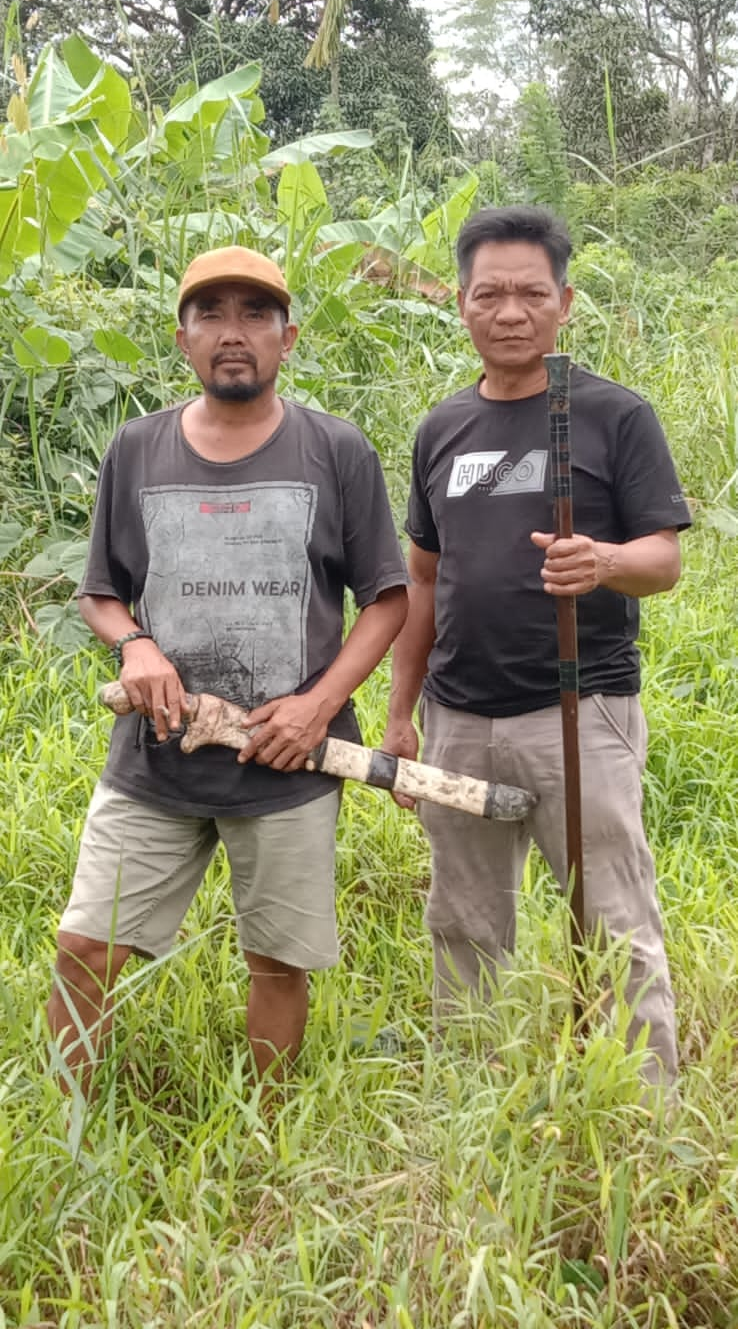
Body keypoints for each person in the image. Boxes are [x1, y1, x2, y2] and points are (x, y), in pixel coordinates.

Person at [49, 245, 408, 1090]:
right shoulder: (136, 449)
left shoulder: (337, 451)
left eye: (255, 314)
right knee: (85, 948)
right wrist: (134, 643)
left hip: (288, 760)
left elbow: (387, 600)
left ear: (289, 338)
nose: (233, 333)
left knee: (276, 962)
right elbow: (100, 593)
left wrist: (318, 706)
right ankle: (68, 1128)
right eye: (211, 314)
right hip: (155, 762)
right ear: (184, 341)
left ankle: (267, 1143)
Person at [383, 204, 691, 1084]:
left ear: (564, 302)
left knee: (614, 918)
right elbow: (426, 581)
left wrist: (603, 562)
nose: (509, 312)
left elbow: (663, 559)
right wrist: (402, 715)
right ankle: (472, 1106)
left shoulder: (612, 417)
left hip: (580, 708)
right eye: (490, 294)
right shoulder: (441, 429)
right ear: (463, 306)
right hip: (457, 718)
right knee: (464, 922)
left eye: (529, 293)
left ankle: (645, 1116)